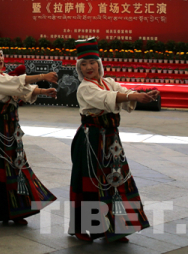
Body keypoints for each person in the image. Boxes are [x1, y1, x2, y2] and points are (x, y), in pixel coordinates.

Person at [69, 38, 154, 243]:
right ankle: (84, 228)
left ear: (99, 64)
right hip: (91, 140)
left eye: (92, 62)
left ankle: (116, 228)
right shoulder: (85, 88)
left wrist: (138, 95)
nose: (89, 67)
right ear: (79, 68)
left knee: (117, 180)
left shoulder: (108, 82)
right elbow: (106, 98)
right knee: (91, 183)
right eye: (84, 64)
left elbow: (121, 91)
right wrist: (133, 98)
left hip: (111, 139)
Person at [0, 35, 58, 224]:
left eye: (1, 54)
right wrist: (43, 77)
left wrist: (43, 91)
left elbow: (20, 89)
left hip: (10, 128)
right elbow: (16, 84)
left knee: (15, 164)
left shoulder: (2, 76)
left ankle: (17, 210)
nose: (0, 58)